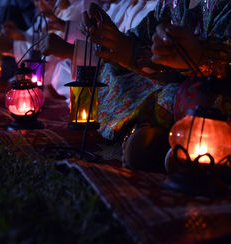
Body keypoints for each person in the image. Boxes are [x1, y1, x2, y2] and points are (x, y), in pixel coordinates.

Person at [82, 0, 231, 170]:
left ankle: (166, 142)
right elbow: (142, 37)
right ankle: (154, 134)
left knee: (187, 97)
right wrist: (111, 38)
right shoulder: (172, 3)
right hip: (165, 82)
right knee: (109, 72)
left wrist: (200, 56)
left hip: (209, 92)